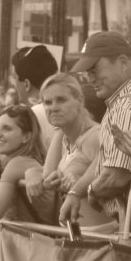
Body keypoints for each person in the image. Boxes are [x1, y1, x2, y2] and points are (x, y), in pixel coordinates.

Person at [69, 31, 131, 227]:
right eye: (87, 72)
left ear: (123, 62)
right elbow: (106, 161)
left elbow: (117, 175)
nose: (90, 78)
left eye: (95, 69)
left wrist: (92, 191)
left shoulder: (127, 104)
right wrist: (77, 191)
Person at [27, 73, 117, 233]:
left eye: (61, 100)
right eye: (47, 102)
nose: (53, 107)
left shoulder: (95, 136)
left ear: (80, 101)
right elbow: (48, 175)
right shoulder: (65, 137)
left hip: (101, 236)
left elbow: (112, 174)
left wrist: (80, 184)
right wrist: (32, 172)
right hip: (76, 233)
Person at [0, 104, 55, 226]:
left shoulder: (18, 163)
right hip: (32, 236)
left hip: (33, 237)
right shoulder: (28, 159)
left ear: (26, 137)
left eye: (7, 129)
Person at [11, 44, 58, 146]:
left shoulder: (30, 117)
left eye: (14, 78)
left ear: (26, 84)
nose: (13, 84)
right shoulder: (65, 110)